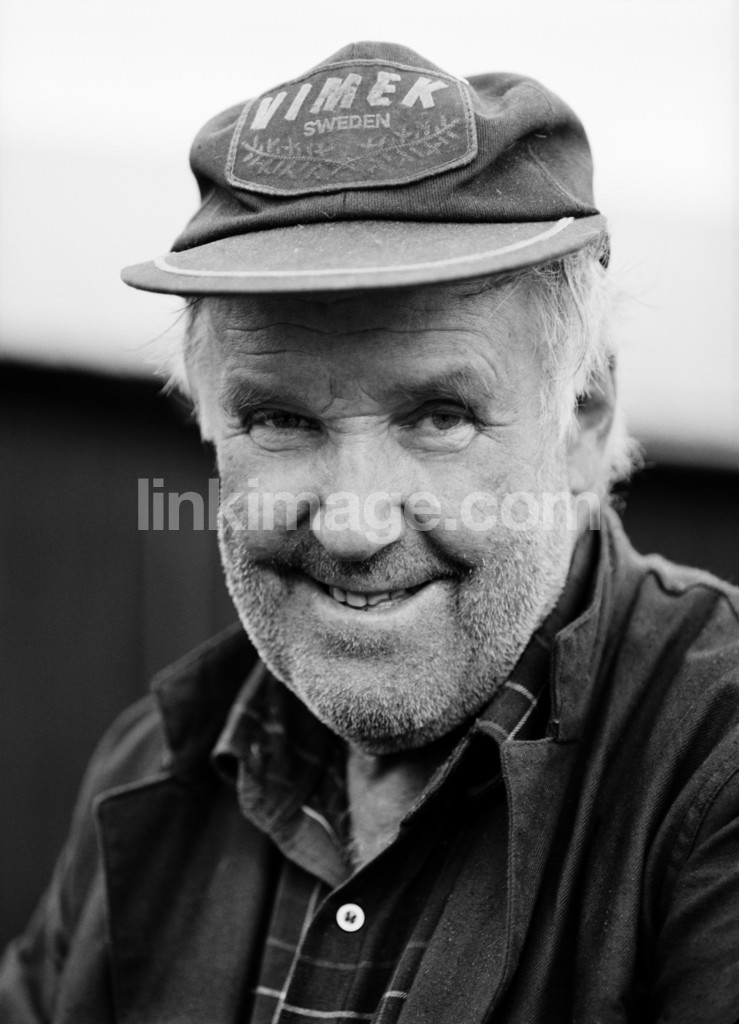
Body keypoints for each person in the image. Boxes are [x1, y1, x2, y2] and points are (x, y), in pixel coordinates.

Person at [1, 40, 737, 1024]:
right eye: (280, 419)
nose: (353, 525)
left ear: (584, 418)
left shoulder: (715, 771)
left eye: (439, 417)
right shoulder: (150, 768)